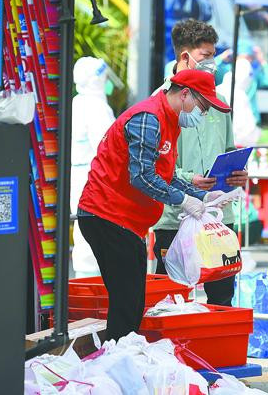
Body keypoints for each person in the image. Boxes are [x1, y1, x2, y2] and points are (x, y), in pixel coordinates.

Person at [77, 69, 231, 341]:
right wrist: (184, 200)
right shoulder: (149, 118)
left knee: (133, 300)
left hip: (124, 220)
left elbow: (165, 175)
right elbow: (142, 177)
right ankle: (118, 355)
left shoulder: (169, 121)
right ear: (185, 94)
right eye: (203, 107)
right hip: (107, 215)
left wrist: (202, 196)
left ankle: (121, 353)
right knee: (127, 302)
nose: (203, 114)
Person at [153, 19, 247, 307]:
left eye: (213, 56)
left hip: (219, 217)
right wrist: (190, 180)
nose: (212, 64)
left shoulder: (219, 101)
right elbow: (155, 168)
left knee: (222, 297)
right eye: (205, 56)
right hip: (176, 217)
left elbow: (229, 148)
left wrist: (239, 173)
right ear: (185, 56)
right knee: (171, 298)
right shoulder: (159, 103)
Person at [70, 57, 116, 278]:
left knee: (83, 231)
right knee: (92, 231)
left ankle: (85, 279)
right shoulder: (96, 107)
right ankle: (90, 283)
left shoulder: (76, 102)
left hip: (79, 174)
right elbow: (108, 147)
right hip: (93, 177)